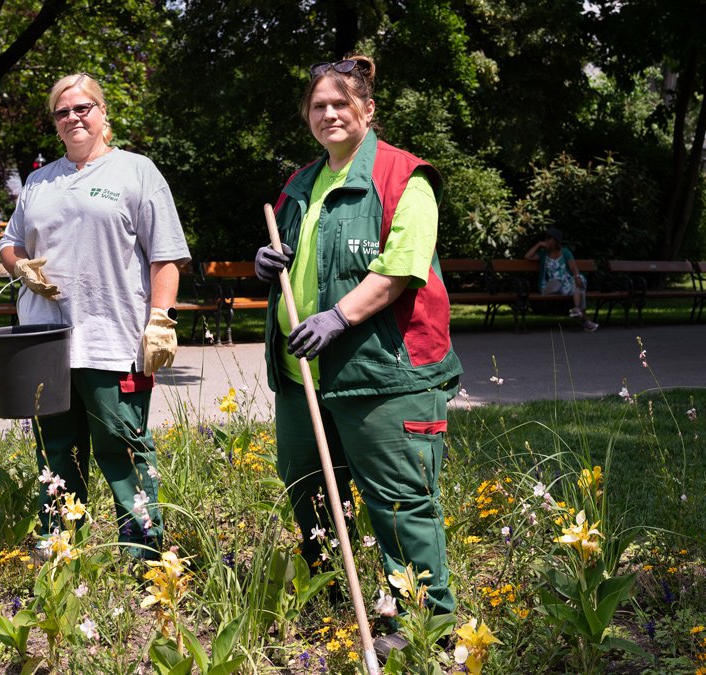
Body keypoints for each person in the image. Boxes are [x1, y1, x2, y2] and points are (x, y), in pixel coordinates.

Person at [253, 54, 462, 661]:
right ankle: (333, 600)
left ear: (368, 110)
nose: (329, 114)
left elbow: (400, 267)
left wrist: (339, 317)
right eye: (318, 105)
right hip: (305, 377)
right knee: (309, 491)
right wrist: (273, 263)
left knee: (399, 501)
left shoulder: (405, 177)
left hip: (384, 374)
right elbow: (299, 256)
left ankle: (424, 622)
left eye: (341, 103)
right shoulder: (299, 183)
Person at [0, 72, 190, 560]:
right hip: (44, 340)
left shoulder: (137, 172)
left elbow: (165, 254)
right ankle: (58, 542)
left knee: (121, 445)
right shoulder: (40, 182)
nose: (73, 118)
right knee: (56, 449)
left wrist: (161, 319)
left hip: (113, 339)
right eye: (63, 113)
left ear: (103, 113)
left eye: (82, 108)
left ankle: (143, 549)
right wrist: (22, 267)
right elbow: (9, 242)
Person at [523, 227, 598, 332]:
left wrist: (576, 277)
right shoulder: (544, 254)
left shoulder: (565, 252)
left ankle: (577, 309)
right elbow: (527, 256)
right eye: (546, 239)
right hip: (549, 286)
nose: (547, 241)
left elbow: (573, 267)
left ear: (556, 241)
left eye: (549, 239)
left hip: (564, 285)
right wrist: (539, 244)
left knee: (579, 281)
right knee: (562, 284)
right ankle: (585, 320)